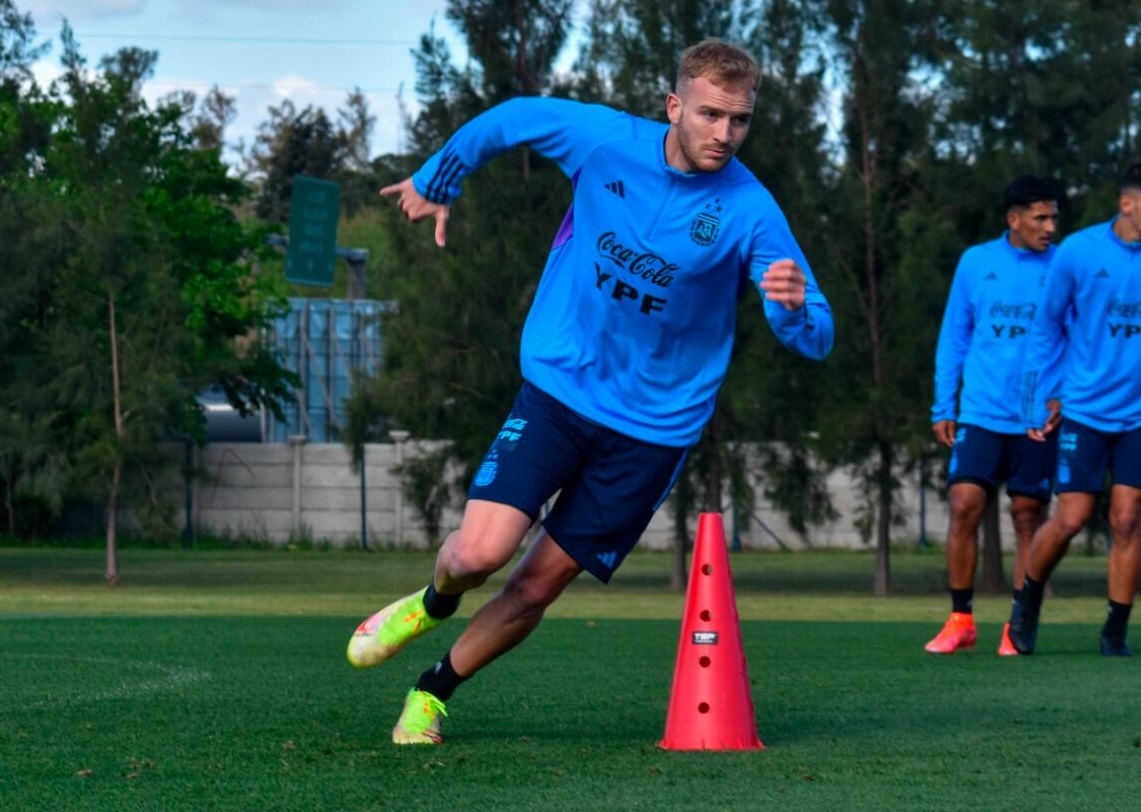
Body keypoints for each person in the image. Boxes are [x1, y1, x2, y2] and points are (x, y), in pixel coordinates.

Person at [346, 39, 834, 744]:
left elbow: (816, 334)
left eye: (740, 120)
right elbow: (512, 117)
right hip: (560, 389)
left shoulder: (752, 211)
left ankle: (432, 691)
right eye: (710, 114)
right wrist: (437, 177)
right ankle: (431, 602)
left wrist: (788, 310)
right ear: (675, 106)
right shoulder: (605, 142)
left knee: (535, 586)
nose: (725, 134)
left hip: (653, 432)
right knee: (478, 555)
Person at [1006, 162, 1141, 657]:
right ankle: (1027, 600)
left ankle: (1115, 629)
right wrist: (1036, 399)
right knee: (1071, 518)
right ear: (1127, 204)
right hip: (1084, 408)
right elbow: (1047, 326)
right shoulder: (1079, 251)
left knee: (1127, 517)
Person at [926, 177, 1060, 656]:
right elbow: (954, 336)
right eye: (1040, 218)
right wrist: (944, 404)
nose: (1050, 227)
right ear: (1014, 220)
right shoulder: (976, 262)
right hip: (981, 411)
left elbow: (1079, 337)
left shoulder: (1063, 266)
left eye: (1054, 218)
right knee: (964, 504)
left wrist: (1062, 394)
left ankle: (1016, 625)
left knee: (1028, 516)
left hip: (1036, 416)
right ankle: (960, 619)